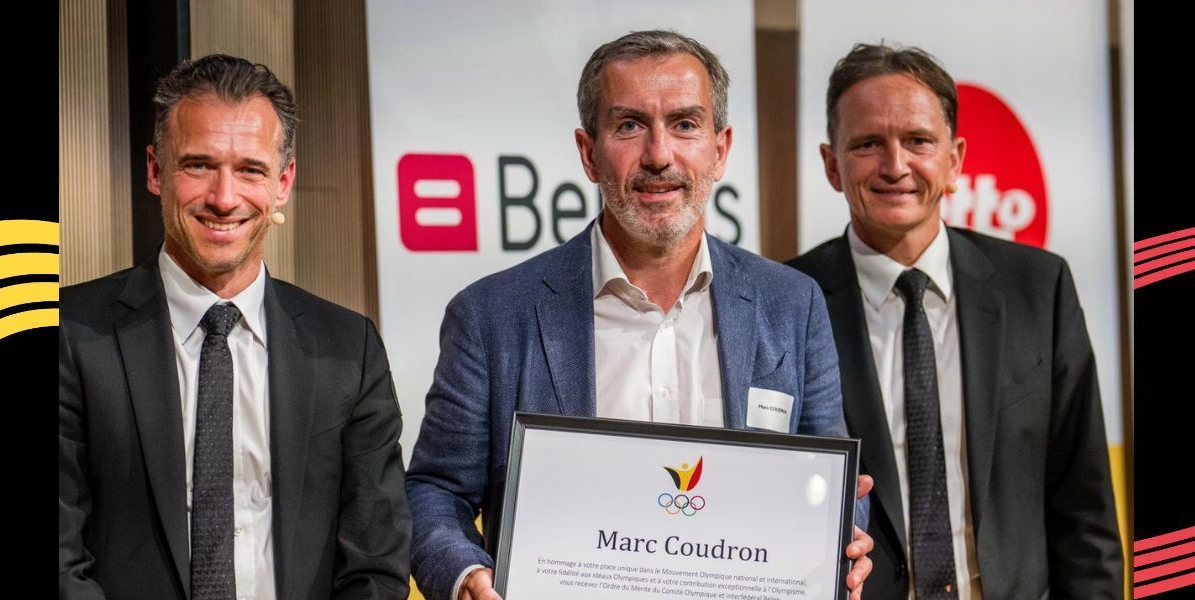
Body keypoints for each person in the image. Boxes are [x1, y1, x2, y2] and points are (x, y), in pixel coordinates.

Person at [407, 30, 874, 600]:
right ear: (588, 152)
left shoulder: (792, 305)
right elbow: (434, 489)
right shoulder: (491, 316)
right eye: (629, 125)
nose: (659, 155)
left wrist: (841, 538)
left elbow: (833, 483)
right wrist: (463, 574)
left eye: (685, 124)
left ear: (720, 148)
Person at [59, 54, 411, 599]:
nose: (224, 199)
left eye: (250, 170)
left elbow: (376, 562)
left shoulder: (349, 347)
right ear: (155, 170)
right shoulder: (70, 333)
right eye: (199, 165)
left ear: (283, 182)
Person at [788, 43, 1122, 599]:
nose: (895, 166)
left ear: (955, 159)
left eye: (918, 141)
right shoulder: (788, 301)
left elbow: (1084, 510)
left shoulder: (1039, 288)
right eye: (868, 144)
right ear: (831, 164)